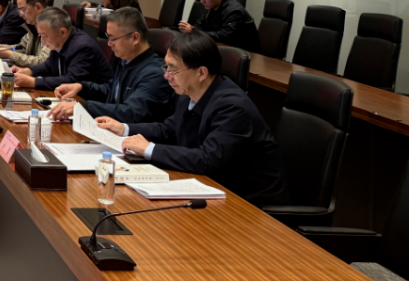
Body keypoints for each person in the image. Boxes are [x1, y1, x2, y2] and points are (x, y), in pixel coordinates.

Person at [94, 29, 288, 206]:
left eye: (173, 69)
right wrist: (124, 128)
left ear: (201, 73)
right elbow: (170, 129)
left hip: (252, 206)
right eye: (166, 67)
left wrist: (149, 149)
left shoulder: (233, 107)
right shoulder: (190, 92)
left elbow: (208, 159)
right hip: (215, 190)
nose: (166, 76)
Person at [49, 7, 176, 123]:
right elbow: (111, 91)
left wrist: (84, 107)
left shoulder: (155, 74)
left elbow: (130, 112)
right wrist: (81, 87)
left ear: (135, 38)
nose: (109, 44)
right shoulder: (126, 61)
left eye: (113, 38)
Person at [11, 7, 111, 91]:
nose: (42, 40)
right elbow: (49, 65)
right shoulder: (59, 41)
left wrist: (33, 82)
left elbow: (72, 81)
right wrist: (28, 71)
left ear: (62, 32)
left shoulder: (82, 47)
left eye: (44, 36)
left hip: (91, 102)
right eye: (40, 35)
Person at [178, 0, 259, 52]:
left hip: (245, 55)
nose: (202, 1)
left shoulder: (234, 11)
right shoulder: (211, 6)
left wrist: (193, 31)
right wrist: (189, 27)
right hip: (222, 49)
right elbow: (201, 24)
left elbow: (223, 36)